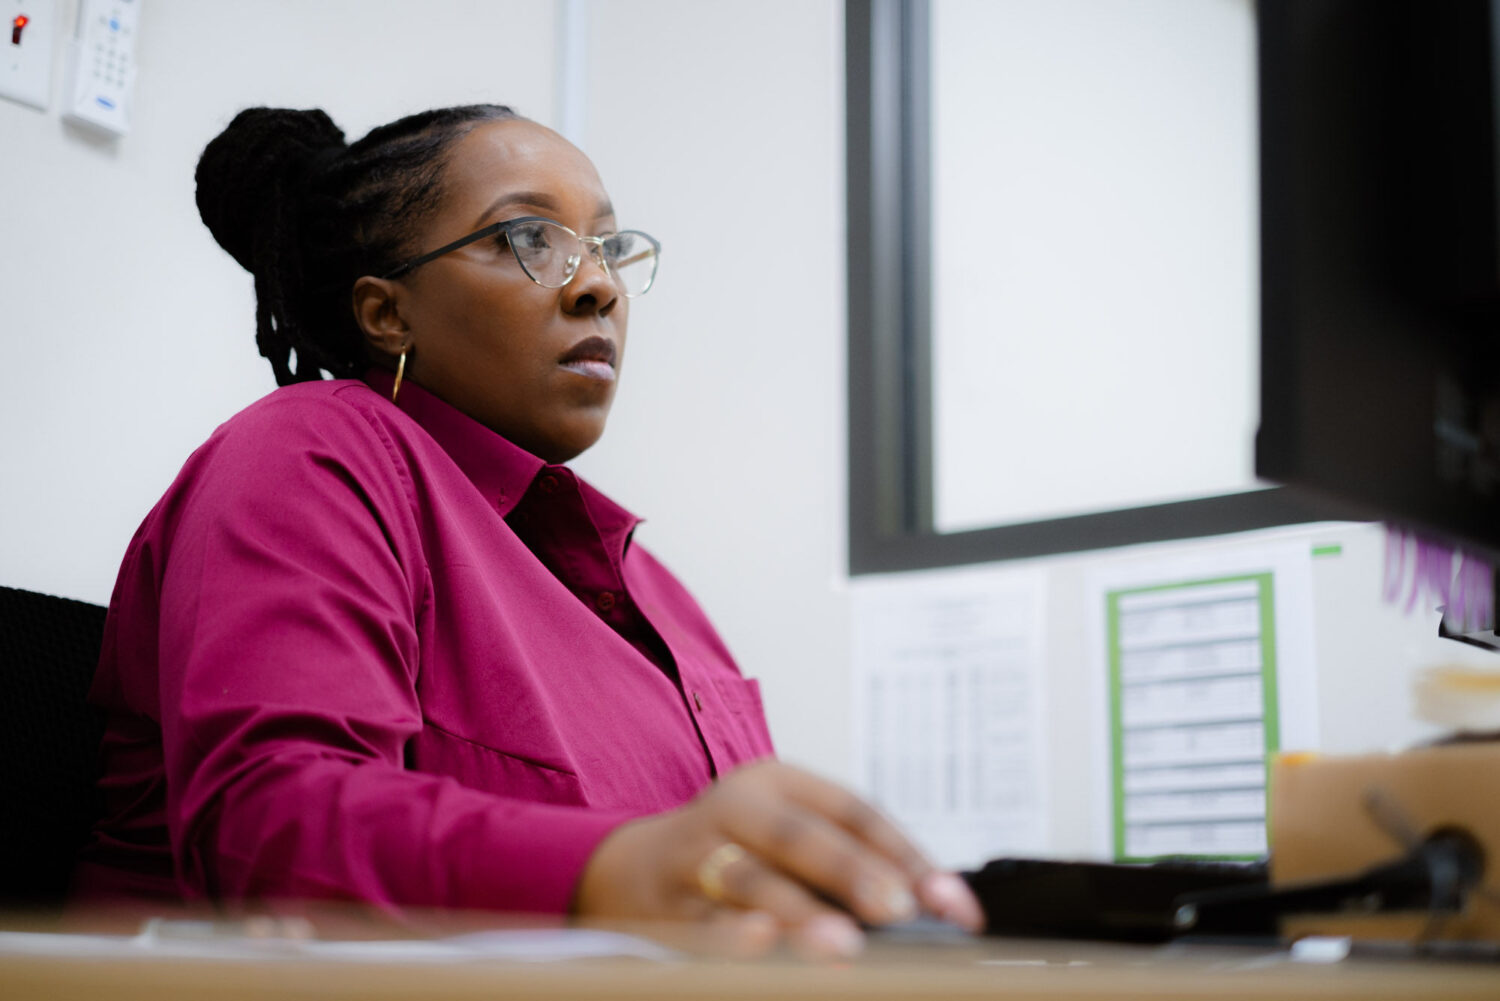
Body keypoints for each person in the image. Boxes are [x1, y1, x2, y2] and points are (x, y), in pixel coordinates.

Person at [73, 104, 983, 957]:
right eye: (527, 239)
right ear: (387, 313)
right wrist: (612, 874)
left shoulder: (658, 590)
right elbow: (273, 833)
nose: (599, 286)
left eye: (609, 248)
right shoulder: (310, 451)